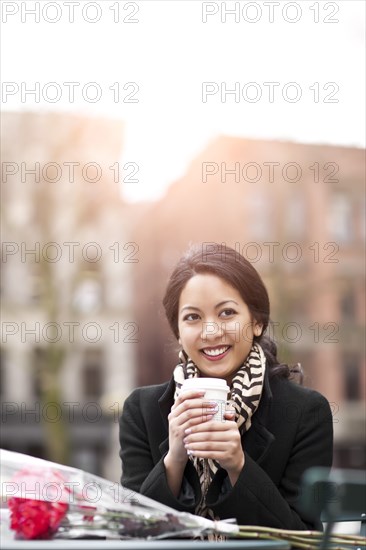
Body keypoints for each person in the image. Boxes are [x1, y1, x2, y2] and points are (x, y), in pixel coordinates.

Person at [119, 243, 333, 529]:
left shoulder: (305, 413)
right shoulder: (141, 411)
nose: (211, 332)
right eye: (193, 317)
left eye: (226, 313)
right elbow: (132, 532)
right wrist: (174, 460)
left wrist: (239, 466)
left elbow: (304, 538)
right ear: (179, 333)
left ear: (256, 322)